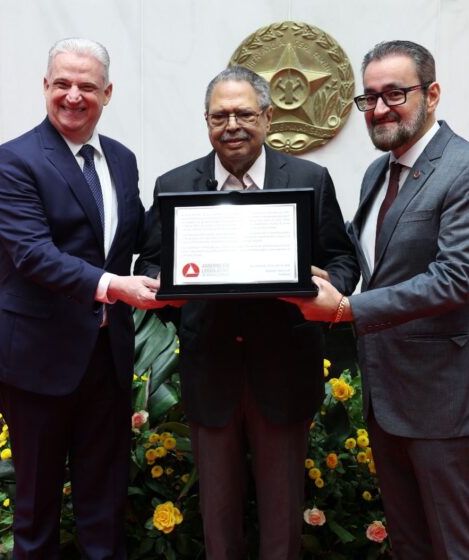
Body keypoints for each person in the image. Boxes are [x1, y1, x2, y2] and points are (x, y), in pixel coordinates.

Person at [285, 40, 469, 559]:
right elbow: (377, 266)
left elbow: (456, 278)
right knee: (409, 544)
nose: (380, 108)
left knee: (456, 546)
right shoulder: (377, 172)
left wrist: (345, 310)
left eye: (395, 94)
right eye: (370, 98)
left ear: (431, 94)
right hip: (388, 395)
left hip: (444, 399)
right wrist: (306, 275)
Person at [134, 66, 358, 560]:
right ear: (207, 121)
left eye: (243, 114)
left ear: (267, 116)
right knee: (217, 517)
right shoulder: (174, 184)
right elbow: (151, 263)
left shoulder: (309, 179)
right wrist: (172, 301)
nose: (231, 125)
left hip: (284, 369)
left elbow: (343, 258)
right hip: (210, 370)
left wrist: (327, 289)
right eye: (219, 116)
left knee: (282, 518)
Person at [0, 38, 164, 560]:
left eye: (86, 86)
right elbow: (33, 254)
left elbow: (139, 241)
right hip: (37, 360)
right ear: (45, 87)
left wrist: (181, 269)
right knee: (37, 507)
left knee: (104, 500)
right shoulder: (13, 161)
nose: (73, 95)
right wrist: (116, 286)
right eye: (62, 83)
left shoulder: (123, 161)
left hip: (106, 358)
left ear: (108, 93)